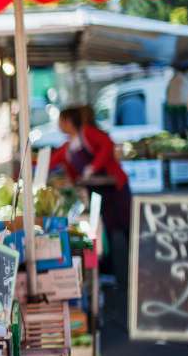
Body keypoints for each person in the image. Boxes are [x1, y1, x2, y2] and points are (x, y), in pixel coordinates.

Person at [49, 105, 132, 282]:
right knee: (107, 233)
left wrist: (93, 167)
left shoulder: (88, 133)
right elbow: (52, 162)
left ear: (69, 122)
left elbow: (107, 145)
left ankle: (138, 265)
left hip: (115, 188)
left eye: (61, 121)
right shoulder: (67, 147)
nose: (59, 125)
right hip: (98, 193)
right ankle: (112, 273)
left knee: (128, 228)